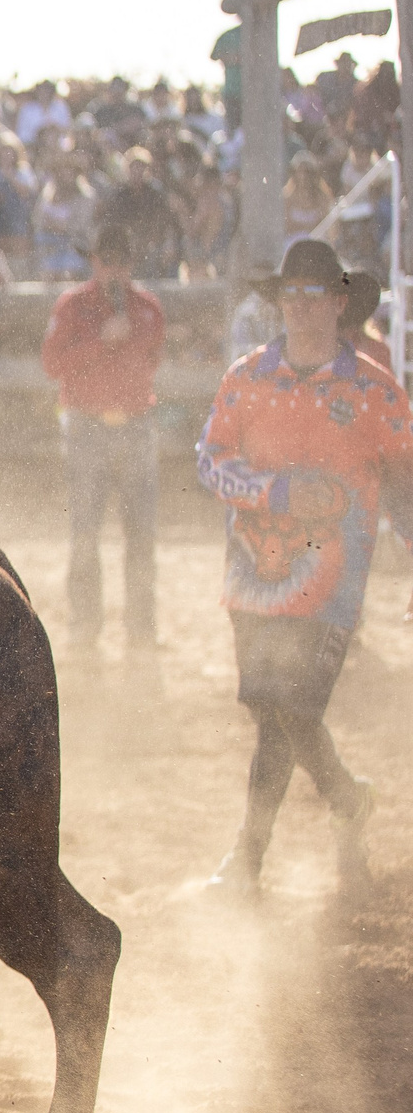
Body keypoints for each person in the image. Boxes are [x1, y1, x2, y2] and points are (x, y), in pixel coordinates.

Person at [196, 239, 413, 897]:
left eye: (313, 295)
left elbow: (406, 480)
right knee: (274, 712)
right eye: (290, 294)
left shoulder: (375, 390)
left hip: (332, 584)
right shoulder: (247, 376)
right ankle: (346, 798)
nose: (299, 307)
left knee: (287, 705)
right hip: (255, 578)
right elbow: (209, 460)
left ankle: (249, 857)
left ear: (340, 303)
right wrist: (276, 492)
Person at [41, 223, 167, 648]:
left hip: (133, 425)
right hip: (88, 427)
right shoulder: (72, 306)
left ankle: (142, 626)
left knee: (141, 532)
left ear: (130, 264)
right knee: (85, 529)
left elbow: (152, 360)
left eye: (120, 261)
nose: (113, 269)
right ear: (94, 262)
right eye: (105, 260)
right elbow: (52, 363)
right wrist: (101, 342)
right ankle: (85, 622)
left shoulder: (148, 307)